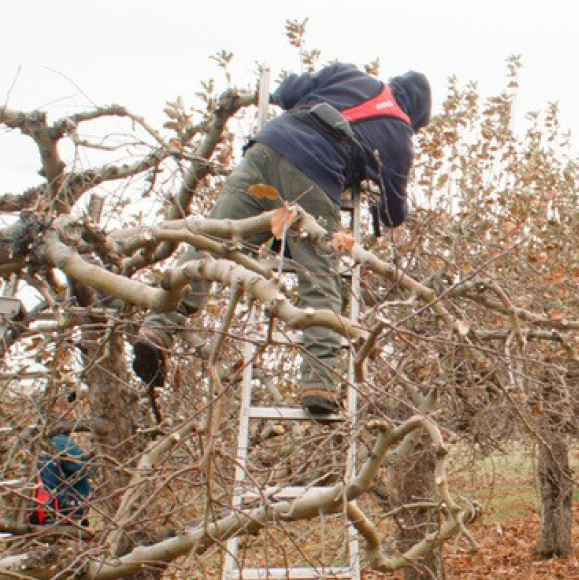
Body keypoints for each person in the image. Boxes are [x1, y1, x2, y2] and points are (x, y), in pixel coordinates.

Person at [136, 63, 432, 417]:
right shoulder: (399, 135)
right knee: (320, 276)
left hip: (266, 149)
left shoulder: (348, 75)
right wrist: (376, 188)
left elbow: (288, 90)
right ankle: (319, 384)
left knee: (214, 246)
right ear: (415, 115)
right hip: (313, 176)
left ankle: (157, 329)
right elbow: (393, 213)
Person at [29, 393, 90, 526]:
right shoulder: (60, 442)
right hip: (64, 512)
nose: (72, 414)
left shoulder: (42, 441)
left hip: (48, 511)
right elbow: (86, 467)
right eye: (66, 408)